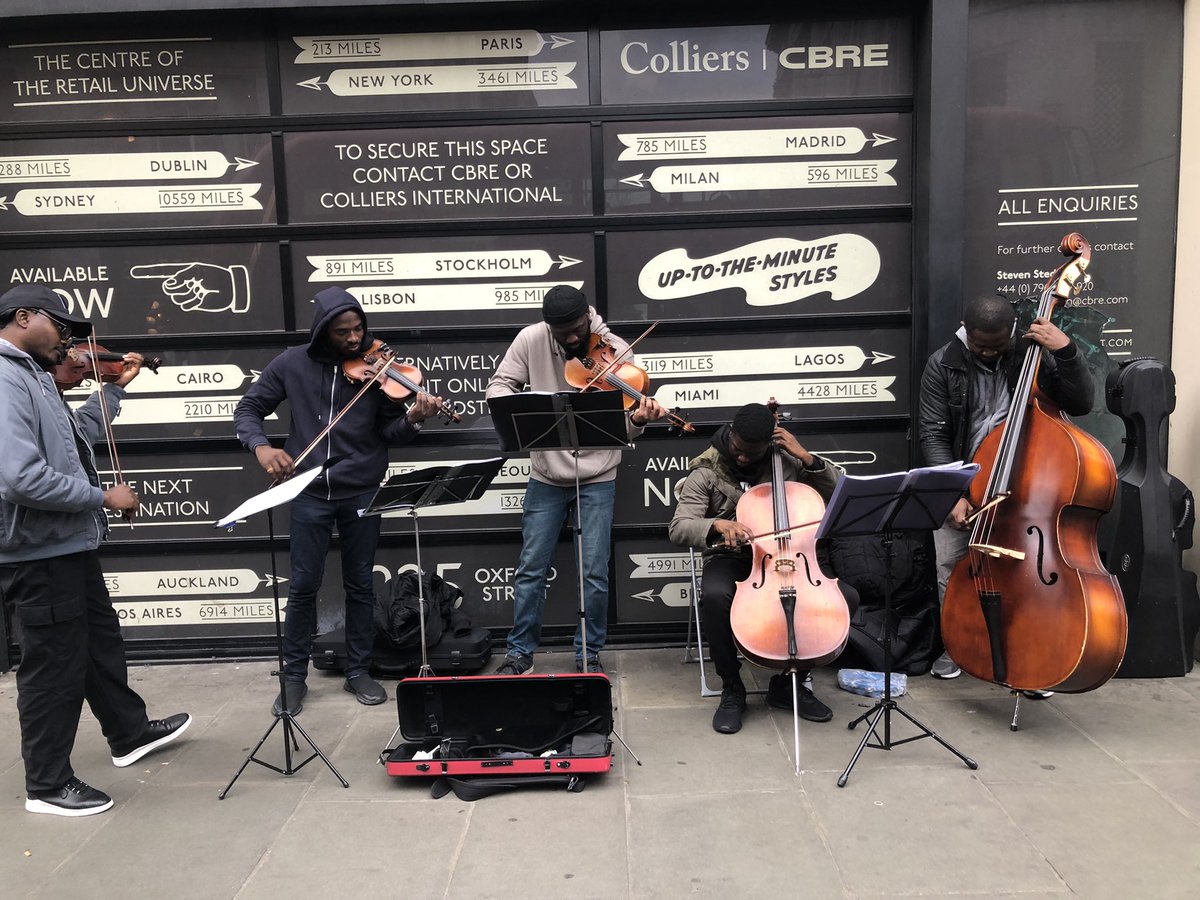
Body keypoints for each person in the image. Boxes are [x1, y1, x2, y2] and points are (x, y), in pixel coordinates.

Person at [0, 284, 191, 817]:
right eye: (59, 326)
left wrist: (115, 391)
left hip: (65, 543)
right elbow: (20, 479)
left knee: (96, 642)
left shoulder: (34, 375)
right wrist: (102, 495)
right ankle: (47, 785)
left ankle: (128, 733)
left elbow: (75, 438)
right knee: (52, 667)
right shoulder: (5, 378)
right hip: (36, 551)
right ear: (23, 317)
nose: (68, 341)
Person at [234, 286, 442, 715]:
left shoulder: (380, 371)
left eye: (359, 329)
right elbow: (248, 409)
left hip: (361, 489)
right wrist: (262, 448)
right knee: (304, 586)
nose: (354, 340)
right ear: (323, 332)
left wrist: (414, 421)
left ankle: (358, 672)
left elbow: (390, 434)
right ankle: (293, 678)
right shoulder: (292, 362)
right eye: (343, 332)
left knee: (360, 584)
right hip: (308, 491)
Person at [486, 285, 666, 674]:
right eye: (560, 332)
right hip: (546, 475)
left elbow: (626, 424)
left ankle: (588, 653)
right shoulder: (531, 338)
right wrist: (530, 403)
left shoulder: (616, 350)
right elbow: (498, 388)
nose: (569, 338)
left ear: (587, 315)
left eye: (575, 329)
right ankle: (520, 653)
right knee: (532, 566)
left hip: (598, 475)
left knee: (594, 571)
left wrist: (636, 420)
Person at [918, 294, 1094, 680]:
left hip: (1027, 484)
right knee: (950, 565)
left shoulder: (1033, 353)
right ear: (967, 332)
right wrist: (954, 493)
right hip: (966, 482)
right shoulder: (943, 364)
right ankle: (960, 647)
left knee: (1028, 572)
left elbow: (1081, 402)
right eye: (981, 345)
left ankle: (1031, 648)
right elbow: (933, 434)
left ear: (1011, 332)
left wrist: (1065, 351)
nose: (990, 352)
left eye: (999, 346)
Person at [669, 402, 857, 734]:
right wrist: (716, 526)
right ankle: (731, 687)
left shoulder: (786, 461)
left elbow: (840, 492)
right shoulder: (706, 469)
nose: (742, 458)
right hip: (731, 557)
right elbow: (680, 527)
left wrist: (808, 458)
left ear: (768, 445)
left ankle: (788, 684)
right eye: (738, 450)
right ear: (731, 433)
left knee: (846, 599)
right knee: (714, 597)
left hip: (790, 556)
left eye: (751, 454)